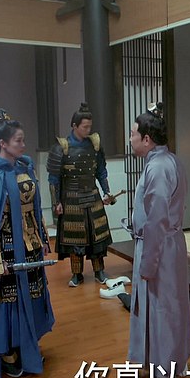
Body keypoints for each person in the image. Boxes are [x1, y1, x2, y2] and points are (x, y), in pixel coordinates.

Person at [0, 108, 55, 378]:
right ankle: (8, 354)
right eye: (18, 140)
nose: (23, 145)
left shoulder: (24, 167)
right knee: (8, 301)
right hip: (4, 249)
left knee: (33, 294)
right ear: (3, 143)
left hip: (29, 245)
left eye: (23, 139)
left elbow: (35, 208)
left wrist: (42, 238)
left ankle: (28, 345)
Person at [127, 102, 190, 378]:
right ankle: (174, 362)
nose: (130, 139)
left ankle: (164, 377)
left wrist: (148, 262)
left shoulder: (159, 167)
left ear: (146, 139)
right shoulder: (166, 161)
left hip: (160, 246)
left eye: (133, 134)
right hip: (167, 243)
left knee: (162, 309)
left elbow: (156, 219)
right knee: (171, 305)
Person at [47, 102, 115, 287]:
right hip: (71, 198)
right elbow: (53, 179)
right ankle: (76, 274)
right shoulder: (61, 147)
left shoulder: (95, 145)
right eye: (85, 127)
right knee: (74, 237)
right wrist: (56, 202)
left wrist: (107, 191)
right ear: (74, 126)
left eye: (89, 126)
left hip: (92, 195)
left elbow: (101, 171)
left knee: (97, 235)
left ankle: (99, 271)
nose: (88, 130)